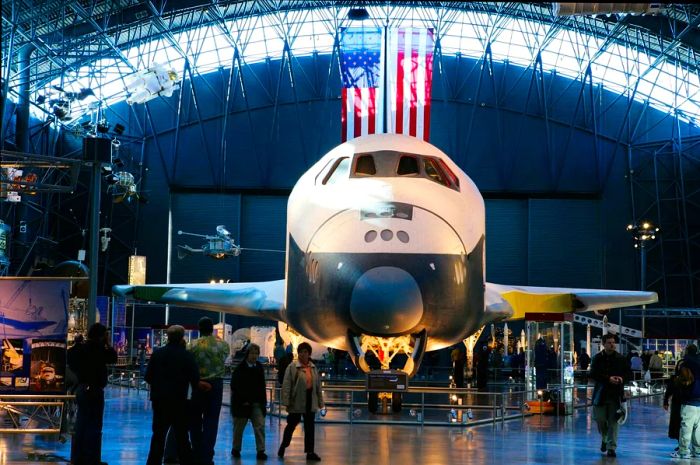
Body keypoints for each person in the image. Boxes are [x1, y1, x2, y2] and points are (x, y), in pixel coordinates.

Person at [145, 325, 202, 465]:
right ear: (182, 337)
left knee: (158, 436)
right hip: (180, 402)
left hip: (159, 402)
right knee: (182, 437)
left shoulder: (157, 354)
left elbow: (148, 376)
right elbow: (195, 379)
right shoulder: (186, 356)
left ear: (168, 336)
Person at [67, 323, 117, 465]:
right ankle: (92, 459)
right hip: (94, 390)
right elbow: (113, 357)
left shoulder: (81, 348)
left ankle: (78, 458)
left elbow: (70, 357)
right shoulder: (100, 349)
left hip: (82, 388)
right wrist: (107, 343)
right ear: (102, 336)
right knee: (94, 425)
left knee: (81, 423)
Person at [189, 317, 230, 465]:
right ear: (212, 328)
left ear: (199, 329)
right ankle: (207, 456)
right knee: (211, 422)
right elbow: (225, 357)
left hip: (197, 386)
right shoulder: (223, 345)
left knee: (194, 421)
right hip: (216, 386)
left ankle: (197, 453)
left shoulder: (192, 345)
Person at [278, 342, 324, 461]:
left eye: (306, 352)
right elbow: (287, 384)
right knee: (291, 425)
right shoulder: (292, 367)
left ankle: (310, 452)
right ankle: (283, 445)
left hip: (310, 399)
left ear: (309, 354)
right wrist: (286, 401)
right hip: (296, 400)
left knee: (310, 427)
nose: (303, 354)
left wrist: (320, 402)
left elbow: (318, 386)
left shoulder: (313, 367)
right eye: (301, 352)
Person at [590, 333, 630, 458]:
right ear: (603, 344)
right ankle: (605, 438)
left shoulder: (621, 359)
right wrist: (608, 379)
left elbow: (629, 374)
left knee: (614, 422)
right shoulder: (597, 358)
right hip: (600, 394)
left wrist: (621, 379)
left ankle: (611, 447)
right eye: (609, 343)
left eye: (613, 342)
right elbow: (593, 374)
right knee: (600, 419)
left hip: (615, 395)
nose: (612, 345)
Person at [230, 343, 267, 460]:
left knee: (260, 426)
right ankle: (236, 448)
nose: (254, 356)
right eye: (252, 353)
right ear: (247, 354)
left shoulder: (259, 367)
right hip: (242, 404)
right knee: (239, 428)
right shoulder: (239, 368)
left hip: (256, 403)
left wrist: (263, 403)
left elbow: (262, 386)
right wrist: (243, 400)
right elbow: (235, 386)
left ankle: (261, 450)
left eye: (256, 353)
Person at [672, 343, 700, 459]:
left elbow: (682, 380)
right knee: (698, 428)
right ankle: (697, 451)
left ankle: (683, 451)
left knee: (686, 427)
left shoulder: (685, 363)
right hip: (699, 401)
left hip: (689, 400)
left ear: (687, 351)